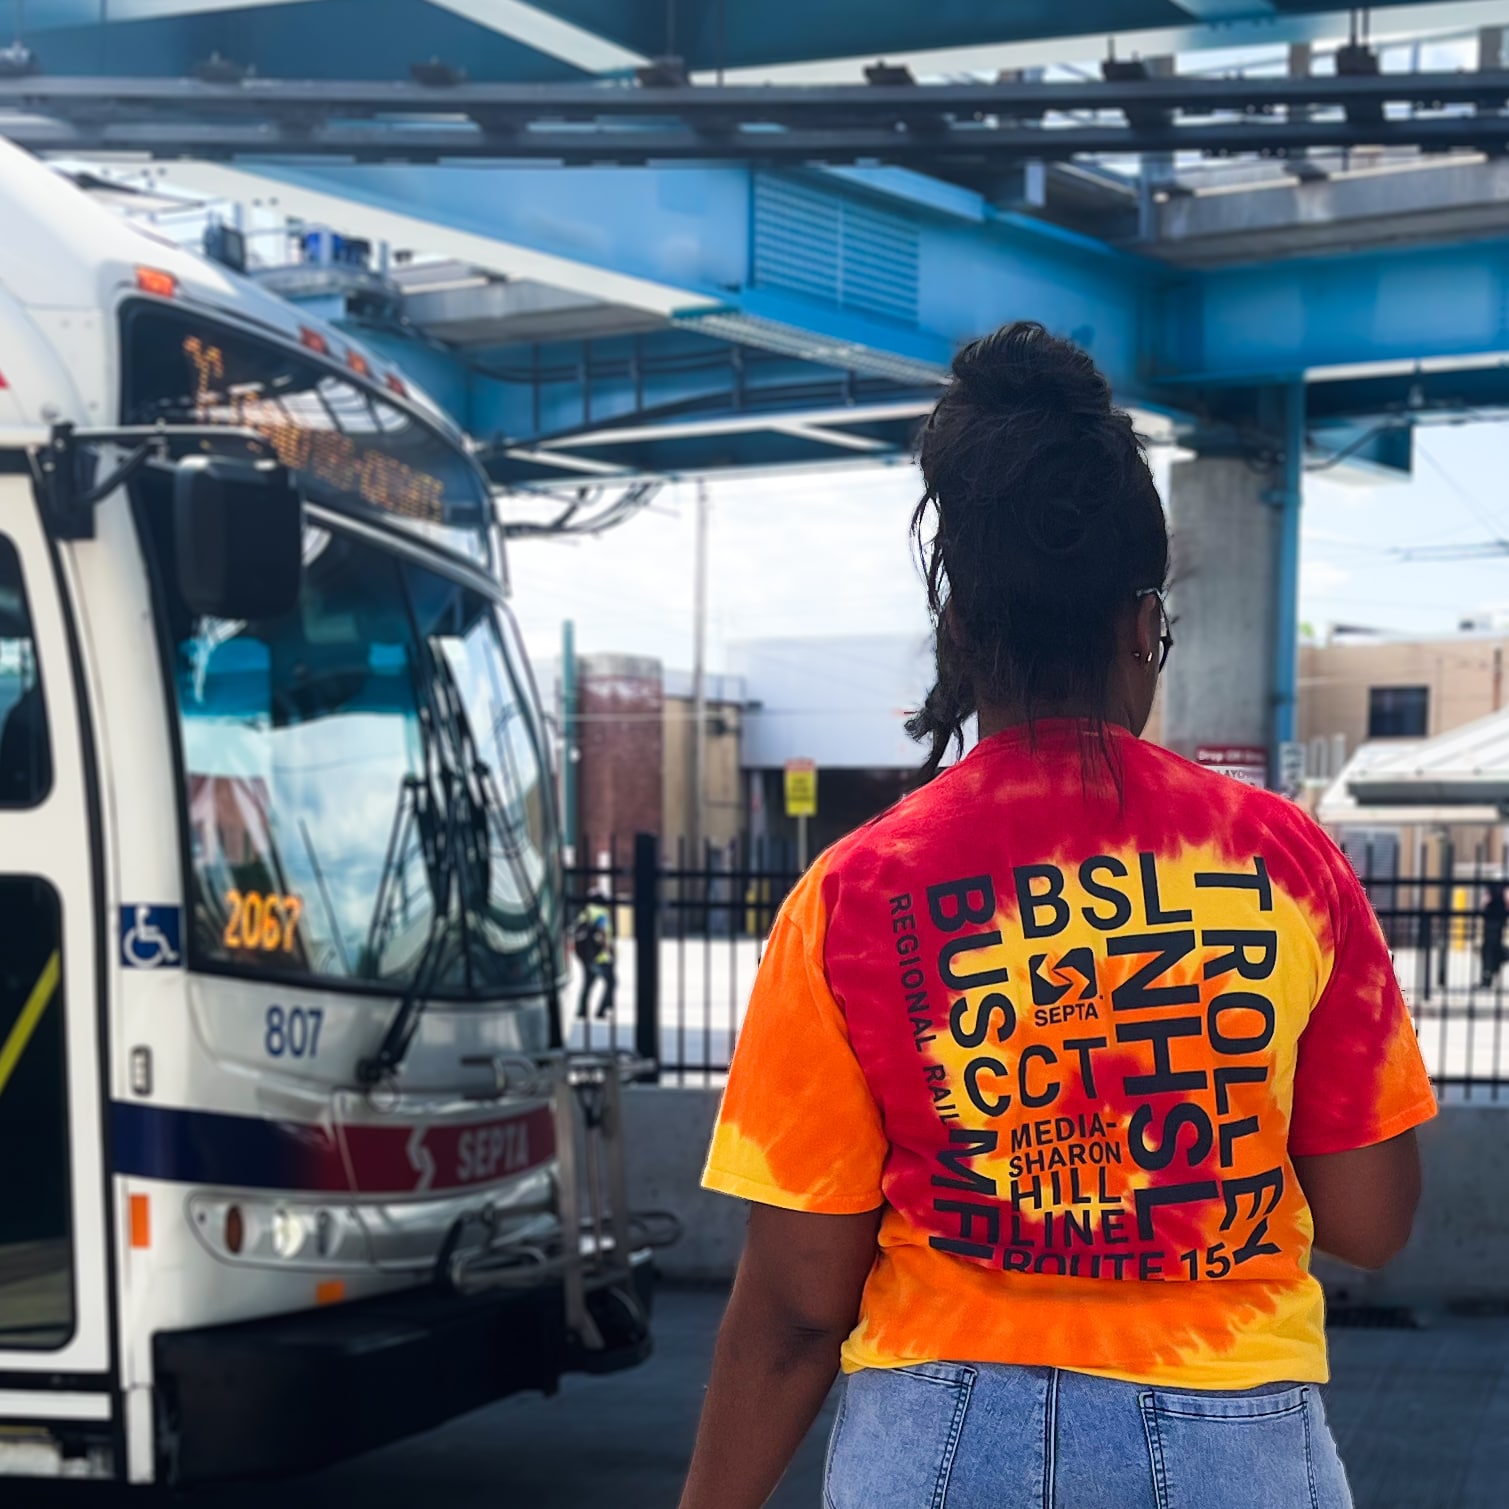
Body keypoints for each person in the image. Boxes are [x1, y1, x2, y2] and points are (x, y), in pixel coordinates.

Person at [679, 322, 1436, 1509]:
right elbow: (1372, 1220)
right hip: (1236, 1438)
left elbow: (799, 1298)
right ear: (1143, 628)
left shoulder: (852, 894)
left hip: (934, 1442)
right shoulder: (1289, 863)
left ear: (959, 635)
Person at [573, 889, 616, 1020]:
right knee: (612, 981)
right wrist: (608, 950)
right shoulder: (601, 913)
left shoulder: (585, 912)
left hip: (585, 954)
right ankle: (602, 1009)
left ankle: (582, 1010)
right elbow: (602, 932)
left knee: (588, 982)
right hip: (599, 956)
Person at [1482, 882, 1507, 987]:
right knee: (1491, 948)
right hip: (1495, 917)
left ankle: (1487, 979)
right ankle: (1488, 977)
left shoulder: (1499, 885)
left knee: (1490, 949)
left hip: (1495, 918)